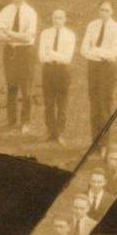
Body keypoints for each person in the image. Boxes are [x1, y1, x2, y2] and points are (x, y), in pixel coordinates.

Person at [0, 0, 40, 132]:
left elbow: (28, 38)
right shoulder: (6, 11)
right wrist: (15, 36)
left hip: (26, 53)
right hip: (10, 52)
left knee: (26, 88)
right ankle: (11, 119)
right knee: (11, 86)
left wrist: (10, 34)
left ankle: (26, 121)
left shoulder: (31, 13)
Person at [80, 2, 117, 140]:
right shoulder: (92, 25)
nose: (104, 13)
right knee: (94, 105)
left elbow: (112, 55)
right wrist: (99, 53)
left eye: (107, 10)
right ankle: (94, 142)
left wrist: (95, 50)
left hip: (107, 70)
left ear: (112, 12)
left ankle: (104, 143)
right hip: (93, 67)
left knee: (104, 105)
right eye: (101, 10)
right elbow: (83, 50)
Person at [37, 8, 77, 144]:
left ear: (65, 19)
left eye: (60, 18)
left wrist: (51, 53)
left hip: (63, 72)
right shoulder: (45, 33)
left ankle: (59, 133)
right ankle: (49, 130)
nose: (57, 20)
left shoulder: (70, 35)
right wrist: (57, 55)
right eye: (55, 17)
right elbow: (42, 56)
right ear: (51, 19)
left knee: (62, 105)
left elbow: (67, 59)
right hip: (48, 70)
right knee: (48, 103)